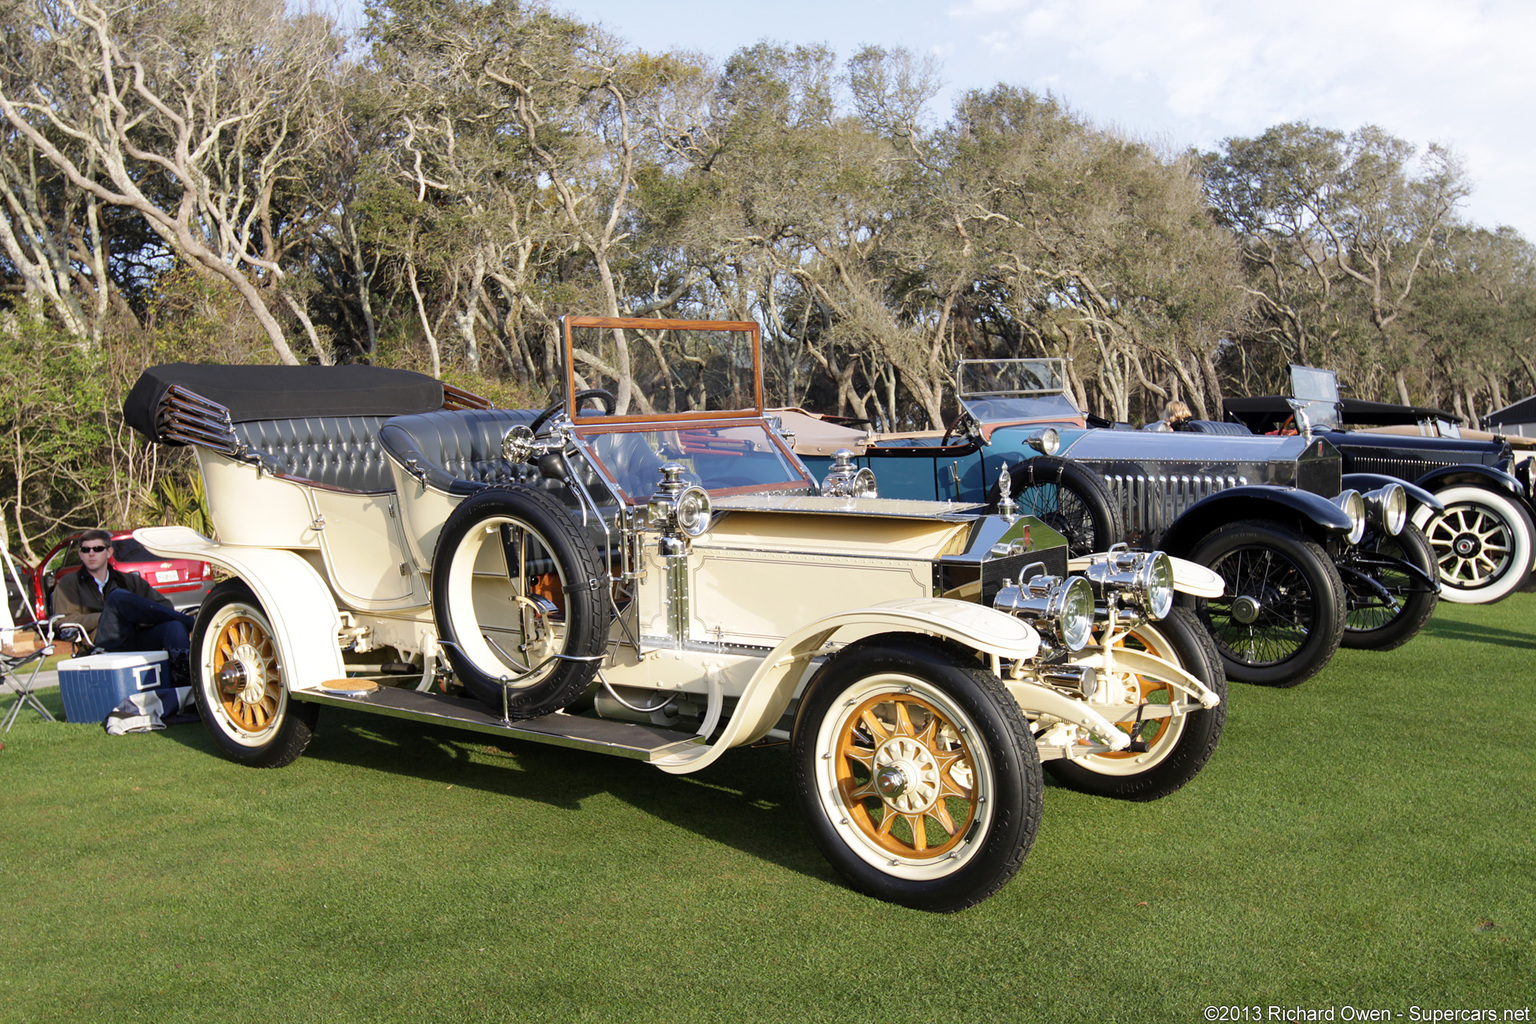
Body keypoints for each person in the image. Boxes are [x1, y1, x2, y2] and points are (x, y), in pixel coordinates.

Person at [51, 531, 194, 677]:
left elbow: (164, 605)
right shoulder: (68, 584)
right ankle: (192, 622)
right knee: (118, 597)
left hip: (135, 636)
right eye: (86, 550)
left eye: (98, 549)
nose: (91, 554)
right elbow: (62, 621)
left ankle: (186, 680)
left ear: (109, 552)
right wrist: (104, 617)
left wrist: (137, 618)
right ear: (80, 555)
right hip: (100, 642)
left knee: (174, 627)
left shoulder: (128, 580)